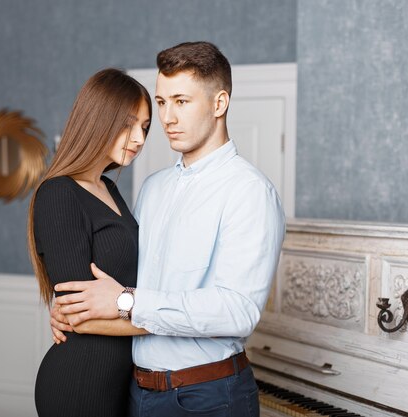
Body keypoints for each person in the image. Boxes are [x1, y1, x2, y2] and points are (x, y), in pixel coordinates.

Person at [51, 42, 286, 417]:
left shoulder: (249, 191)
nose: (167, 118)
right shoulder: (153, 188)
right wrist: (72, 310)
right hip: (135, 390)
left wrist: (126, 301)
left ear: (219, 103)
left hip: (208, 395)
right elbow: (123, 279)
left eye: (181, 101)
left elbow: (237, 310)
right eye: (161, 103)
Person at [27, 68, 152, 417]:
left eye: (144, 127)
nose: (140, 138)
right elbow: (78, 317)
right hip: (78, 384)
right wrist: (168, 323)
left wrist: (131, 304)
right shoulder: (59, 194)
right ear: (98, 118)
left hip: (121, 382)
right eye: (129, 124)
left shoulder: (108, 189)